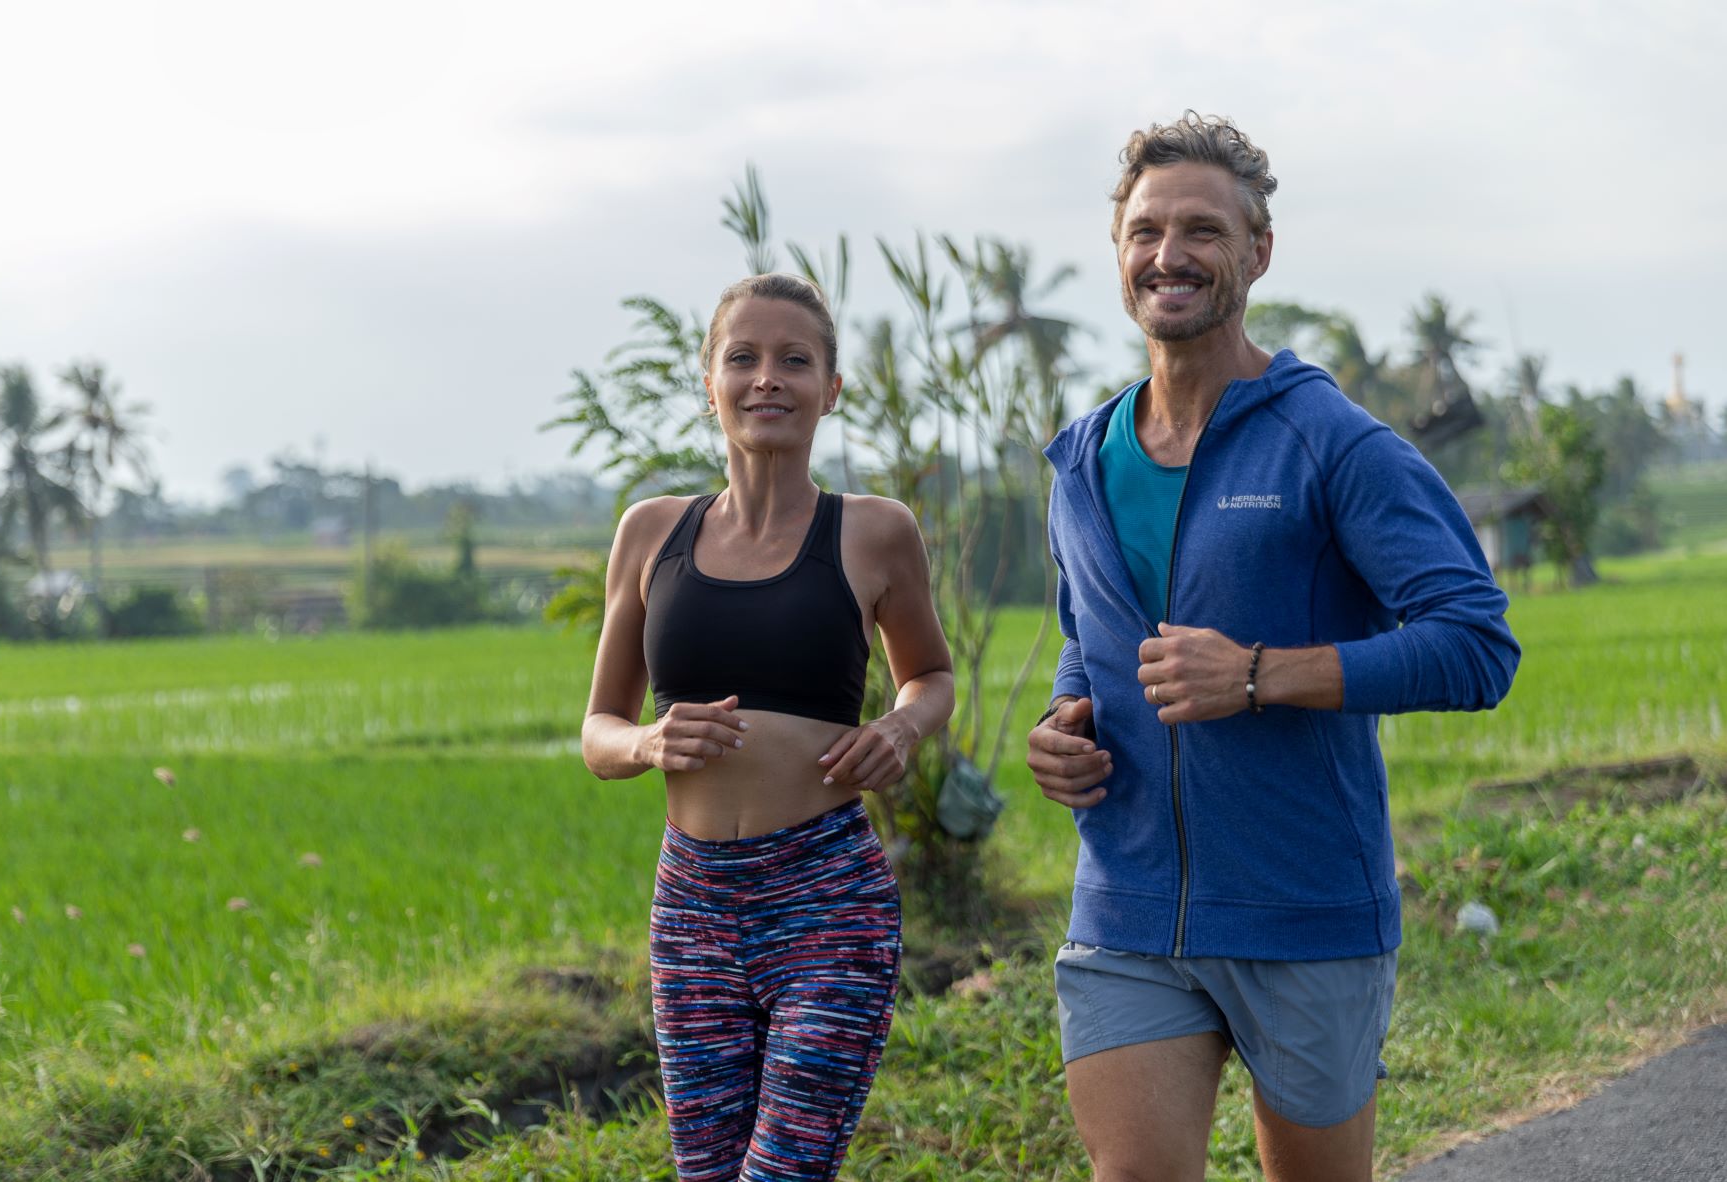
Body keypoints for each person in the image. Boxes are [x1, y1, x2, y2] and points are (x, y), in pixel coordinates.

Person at [1026, 112, 1520, 1182]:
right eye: (1147, 229)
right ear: (1118, 251)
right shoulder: (1079, 461)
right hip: (1128, 907)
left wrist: (1255, 677)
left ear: (1258, 251)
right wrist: (1062, 726)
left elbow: (1477, 647)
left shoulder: (1334, 443)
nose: (1170, 254)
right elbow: (1089, 643)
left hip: (1307, 906)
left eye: (1202, 229)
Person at [581, 272, 954, 1182]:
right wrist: (648, 742)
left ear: (832, 388)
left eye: (795, 360)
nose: (767, 380)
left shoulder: (872, 531)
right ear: (706, 383)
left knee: (782, 1171)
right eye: (741, 359)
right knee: (706, 1171)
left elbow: (930, 677)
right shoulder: (649, 534)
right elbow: (598, 730)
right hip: (694, 904)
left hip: (826, 895)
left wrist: (902, 731)